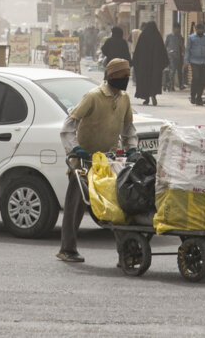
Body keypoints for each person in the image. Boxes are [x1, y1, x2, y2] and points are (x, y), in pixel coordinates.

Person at [56, 58, 139, 263]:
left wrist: (132, 149)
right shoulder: (93, 97)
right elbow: (68, 125)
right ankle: (67, 248)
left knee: (116, 209)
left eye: (128, 76)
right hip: (84, 162)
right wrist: (75, 148)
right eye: (122, 76)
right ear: (111, 76)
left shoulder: (124, 99)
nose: (126, 80)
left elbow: (128, 129)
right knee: (75, 206)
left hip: (108, 162)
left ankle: (125, 254)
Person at [131, 21, 166, 106]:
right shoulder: (157, 37)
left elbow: (138, 51)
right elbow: (163, 51)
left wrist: (134, 62)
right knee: (154, 81)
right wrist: (164, 63)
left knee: (145, 81)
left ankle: (146, 99)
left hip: (144, 66)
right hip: (155, 66)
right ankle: (153, 95)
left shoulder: (143, 36)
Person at [186, 23, 205, 105]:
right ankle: (193, 95)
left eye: (201, 29)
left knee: (202, 80)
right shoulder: (191, 38)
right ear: (196, 30)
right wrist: (186, 62)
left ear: (203, 30)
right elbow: (188, 50)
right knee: (196, 78)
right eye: (198, 29)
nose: (199, 31)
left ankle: (199, 97)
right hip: (194, 61)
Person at [164, 22, 185, 92]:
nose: (177, 30)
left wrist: (184, 53)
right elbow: (165, 45)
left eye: (179, 29)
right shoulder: (169, 36)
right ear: (173, 29)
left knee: (179, 71)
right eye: (176, 29)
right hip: (170, 56)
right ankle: (171, 86)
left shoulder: (180, 37)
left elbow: (182, 46)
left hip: (178, 56)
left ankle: (180, 85)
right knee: (172, 71)